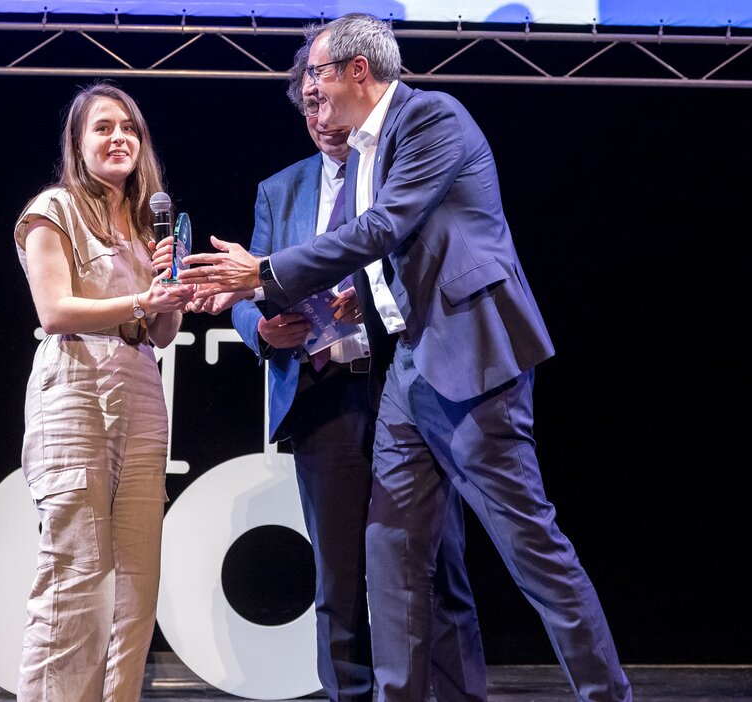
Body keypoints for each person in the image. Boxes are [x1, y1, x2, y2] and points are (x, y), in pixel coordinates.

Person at [180, 14, 632, 702]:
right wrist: (283, 302)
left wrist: (264, 270)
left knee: (530, 549)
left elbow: (385, 226)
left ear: (358, 70)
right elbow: (387, 255)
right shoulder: (360, 150)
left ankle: (608, 694)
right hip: (410, 370)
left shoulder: (431, 119)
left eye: (318, 75)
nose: (310, 90)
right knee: (389, 555)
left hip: (472, 361)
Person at [214, 50, 487, 702]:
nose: (319, 115)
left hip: (407, 388)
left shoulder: (400, 170)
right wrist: (261, 329)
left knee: (436, 565)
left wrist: (374, 293)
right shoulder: (279, 190)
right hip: (325, 399)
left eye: (327, 98)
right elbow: (246, 292)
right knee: (339, 583)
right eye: (307, 104)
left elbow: (442, 258)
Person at [12, 82, 193, 702]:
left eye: (130, 130)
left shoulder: (149, 226)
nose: (120, 138)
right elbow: (56, 311)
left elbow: (162, 332)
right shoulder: (52, 209)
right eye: (104, 128)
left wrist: (171, 287)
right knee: (77, 582)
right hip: (75, 385)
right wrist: (145, 296)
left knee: (136, 589)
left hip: (141, 384)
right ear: (78, 143)